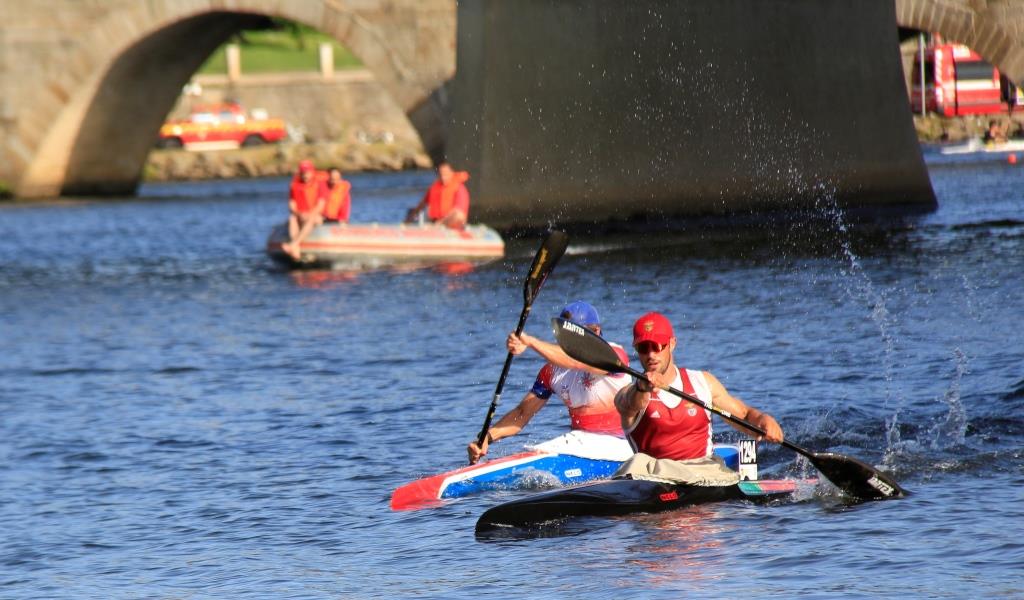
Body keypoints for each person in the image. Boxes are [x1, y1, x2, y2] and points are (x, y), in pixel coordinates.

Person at [612, 312, 784, 484]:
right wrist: (642, 387)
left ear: (672, 344)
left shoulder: (702, 382)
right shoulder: (630, 393)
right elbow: (629, 404)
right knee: (635, 465)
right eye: (643, 348)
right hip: (655, 478)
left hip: (703, 472)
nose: (650, 355)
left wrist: (762, 420)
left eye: (656, 346)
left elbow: (744, 416)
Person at [467, 301, 634, 465]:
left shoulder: (614, 355)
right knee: (534, 458)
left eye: (573, 335)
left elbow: (577, 362)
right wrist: (486, 438)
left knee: (540, 455)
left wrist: (530, 342)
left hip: (622, 446)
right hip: (581, 447)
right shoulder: (551, 372)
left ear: (596, 332)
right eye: (564, 335)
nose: (567, 342)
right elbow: (522, 413)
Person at [282, 160, 326, 260]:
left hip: (316, 216)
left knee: (312, 219)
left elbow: (321, 205)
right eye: (303, 173)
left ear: (312, 172)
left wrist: (309, 214)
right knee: (292, 218)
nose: (305, 175)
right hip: (300, 215)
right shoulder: (295, 185)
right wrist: (298, 213)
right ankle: (295, 249)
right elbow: (291, 204)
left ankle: (294, 244)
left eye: (308, 173)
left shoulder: (319, 184)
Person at [405, 161, 470, 229]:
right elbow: (422, 205)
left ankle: (437, 227)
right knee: (411, 212)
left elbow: (459, 214)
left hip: (452, 225)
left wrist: (440, 224)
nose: (443, 177)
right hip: (435, 223)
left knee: (458, 215)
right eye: (441, 174)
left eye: (446, 174)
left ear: (452, 173)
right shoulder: (434, 188)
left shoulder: (460, 189)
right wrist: (407, 221)